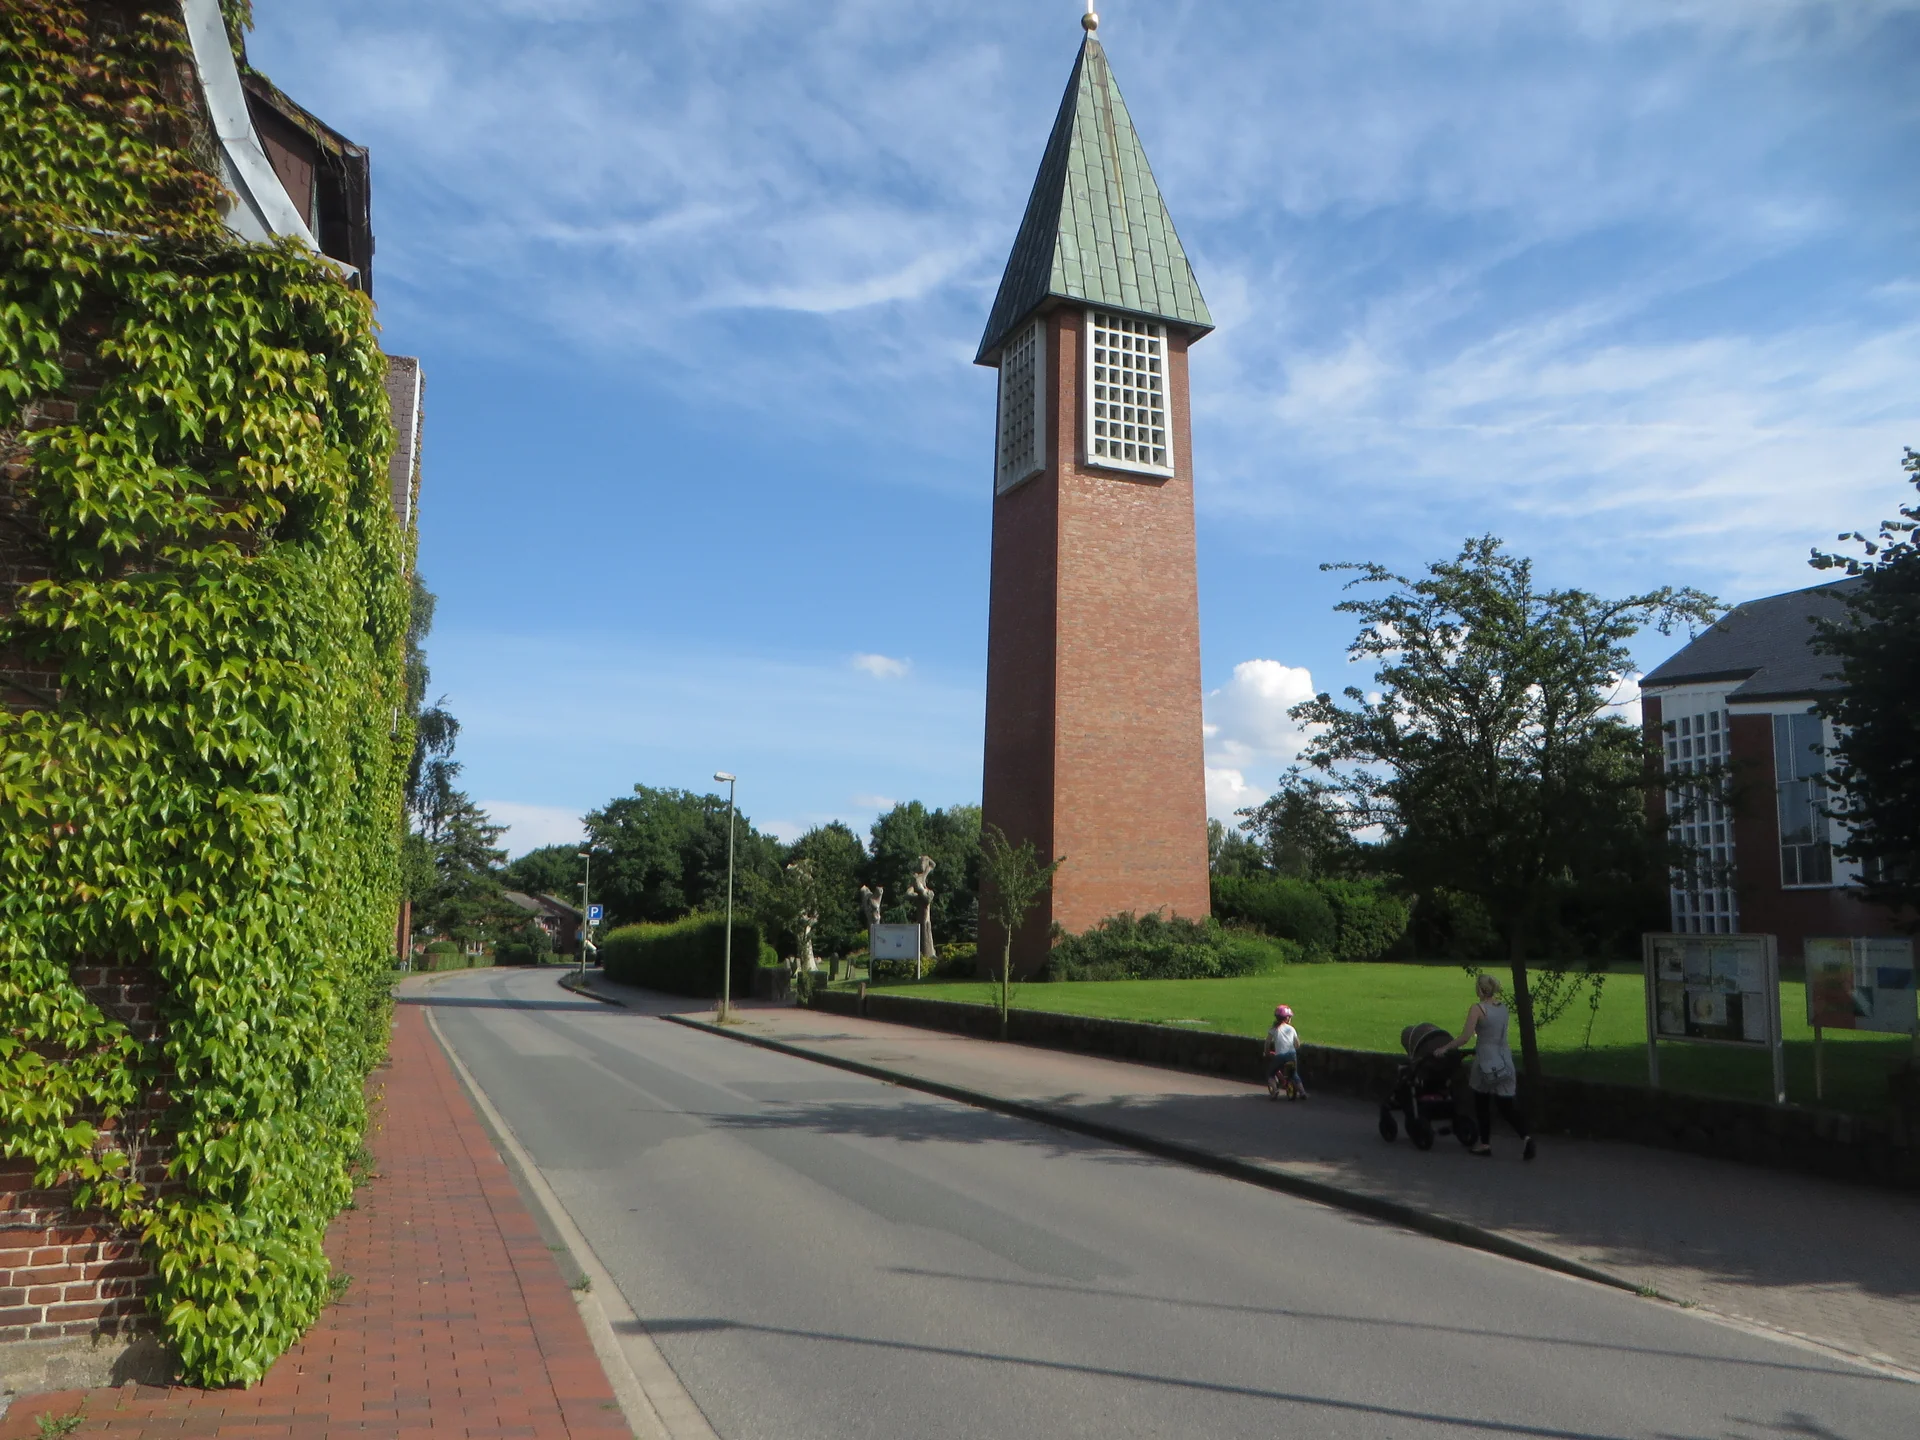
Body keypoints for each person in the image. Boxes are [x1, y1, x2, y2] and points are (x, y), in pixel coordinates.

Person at [1439, 974, 1535, 1160]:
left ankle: (1484, 1143)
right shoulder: (1503, 1009)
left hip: (1486, 1062)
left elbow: (1466, 1037)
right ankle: (1526, 1137)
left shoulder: (1478, 1009)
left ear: (1480, 990)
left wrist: (1445, 1047)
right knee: (1506, 1106)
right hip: (1504, 1059)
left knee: (1481, 1102)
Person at [1263, 1005, 1307, 1100]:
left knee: (1271, 1073)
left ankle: (1274, 1090)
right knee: (1294, 1074)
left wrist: (1267, 1052)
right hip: (1292, 1055)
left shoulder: (1274, 1029)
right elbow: (1297, 1044)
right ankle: (1302, 1092)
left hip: (1280, 1056)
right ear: (1287, 1018)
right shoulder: (1291, 1029)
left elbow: (1267, 1042)